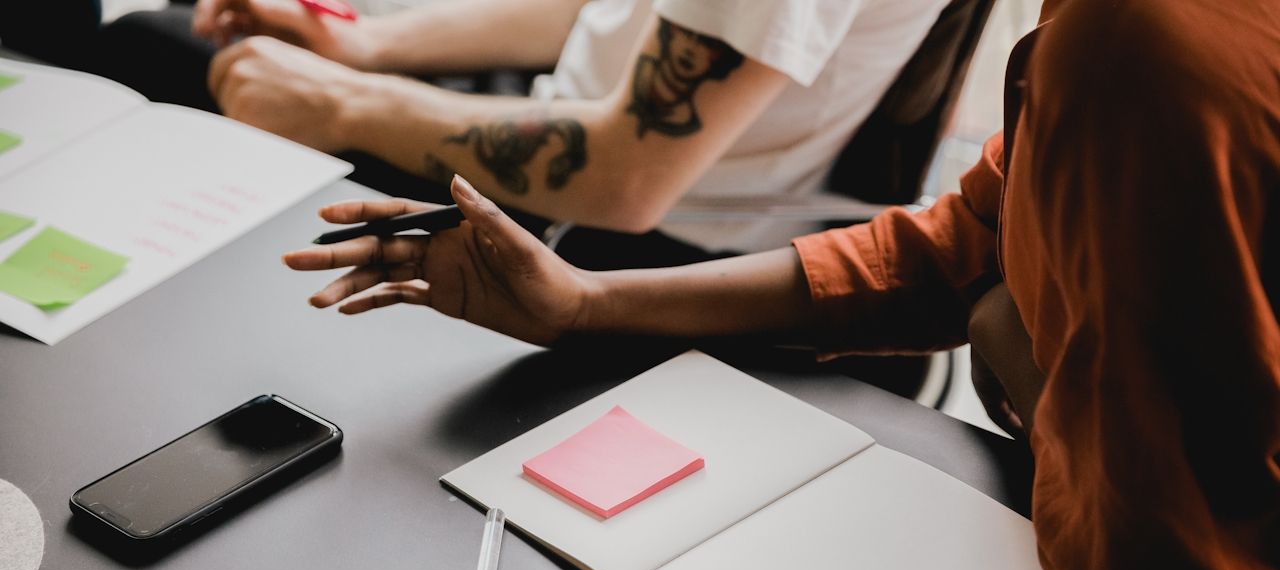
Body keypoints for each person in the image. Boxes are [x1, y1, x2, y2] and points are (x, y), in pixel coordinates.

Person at [283, 0, 1280, 570]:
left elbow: (1157, 560)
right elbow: (962, 241)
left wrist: (1008, 350)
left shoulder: (1133, 45)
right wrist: (584, 308)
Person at [172, 0, 953, 265]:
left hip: (617, 238)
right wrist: (368, 46)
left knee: (151, 47)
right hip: (577, 125)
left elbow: (626, 176)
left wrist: (342, 102)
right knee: (186, 39)